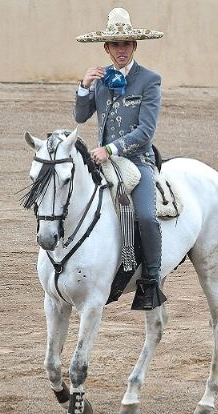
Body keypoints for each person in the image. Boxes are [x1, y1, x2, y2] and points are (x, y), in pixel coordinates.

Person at [73, 7, 166, 310]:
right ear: (107, 48)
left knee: (146, 216)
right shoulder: (100, 79)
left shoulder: (149, 80)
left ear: (134, 46)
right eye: (115, 45)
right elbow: (81, 115)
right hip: (102, 162)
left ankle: (150, 281)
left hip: (137, 161)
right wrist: (84, 87)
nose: (121, 50)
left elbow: (145, 132)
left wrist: (111, 149)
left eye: (126, 44)